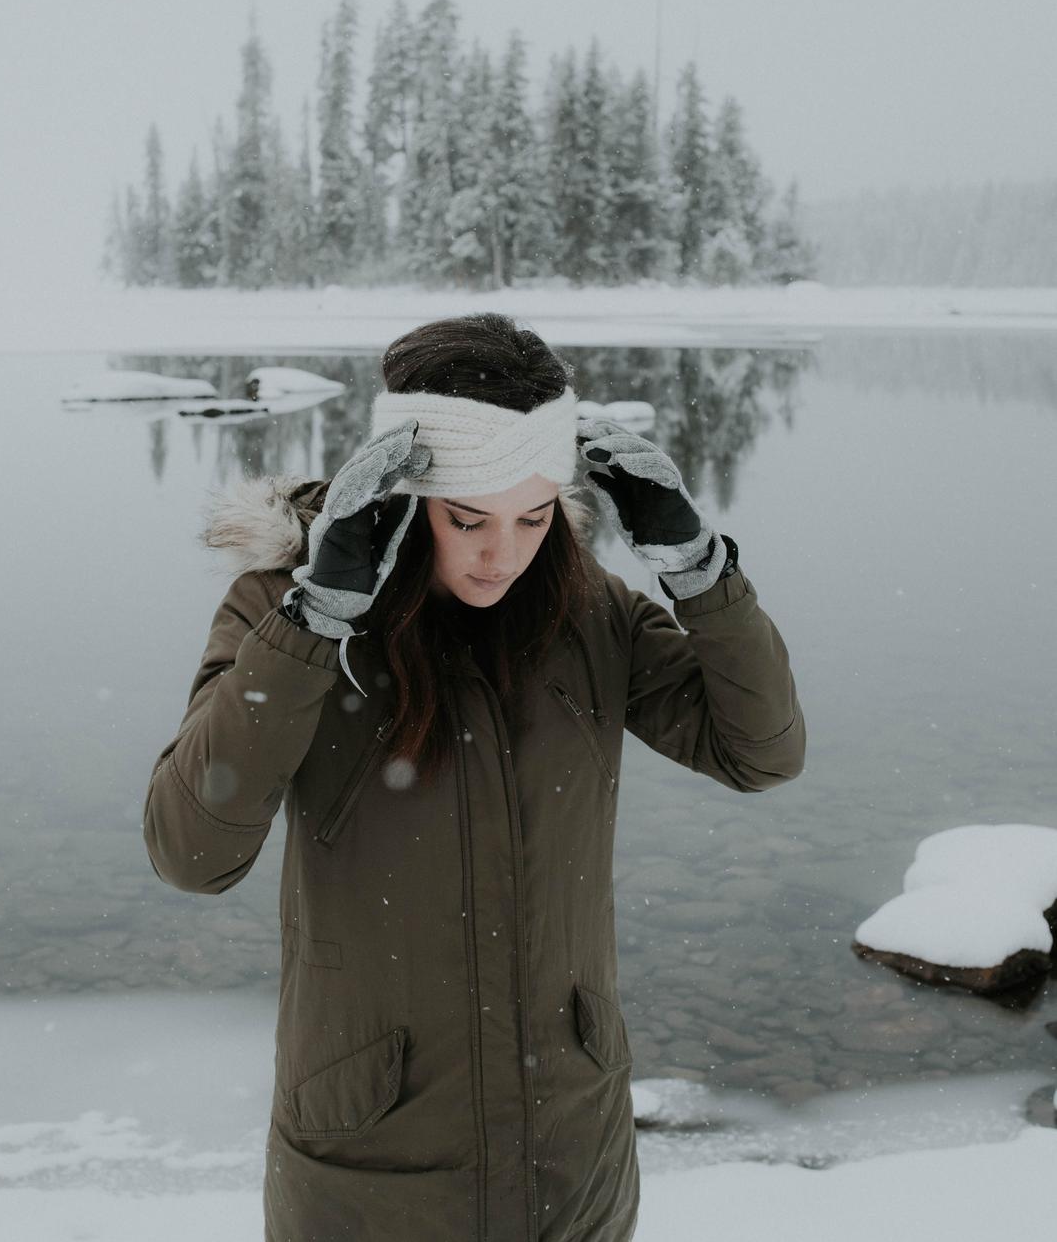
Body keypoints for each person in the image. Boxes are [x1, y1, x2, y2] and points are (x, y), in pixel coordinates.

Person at [142, 311, 805, 1242]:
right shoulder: (282, 609)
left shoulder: (586, 610)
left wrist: (695, 569)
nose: (505, 552)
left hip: (570, 1163)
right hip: (374, 1173)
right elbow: (190, 850)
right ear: (410, 497)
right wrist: (315, 618)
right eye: (468, 518)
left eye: (535, 516)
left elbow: (760, 751)